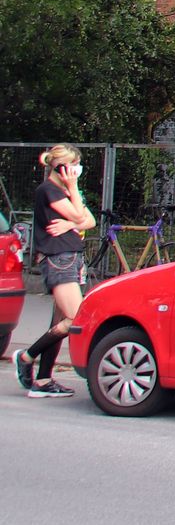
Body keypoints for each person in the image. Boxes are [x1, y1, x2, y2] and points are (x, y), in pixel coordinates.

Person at [15, 145, 96, 398]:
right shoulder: (49, 190)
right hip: (58, 259)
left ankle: (42, 381)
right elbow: (77, 213)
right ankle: (27, 356)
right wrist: (74, 198)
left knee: (59, 322)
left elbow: (88, 220)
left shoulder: (63, 191)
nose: (76, 171)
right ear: (61, 167)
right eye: (73, 165)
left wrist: (73, 222)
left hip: (71, 257)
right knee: (76, 318)